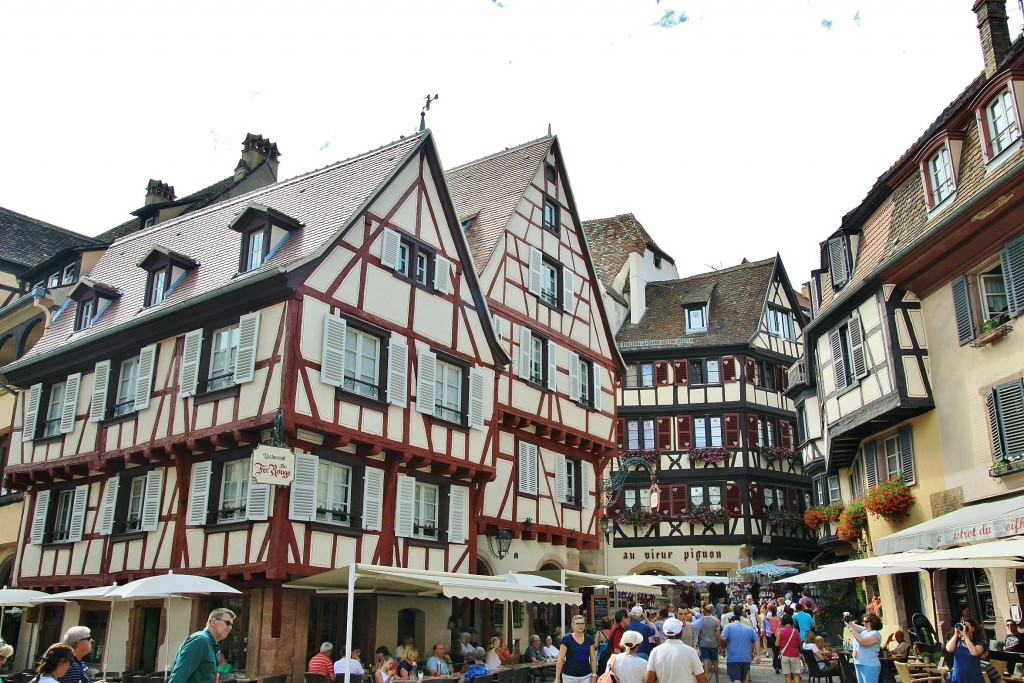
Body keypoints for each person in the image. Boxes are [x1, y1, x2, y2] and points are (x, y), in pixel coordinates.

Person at [168, 608, 235, 683]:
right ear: (213, 622)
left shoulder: (211, 644)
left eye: (232, 625)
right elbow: (179, 676)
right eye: (227, 623)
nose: (230, 627)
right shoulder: (200, 641)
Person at [644, 617, 708, 683]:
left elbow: (648, 680)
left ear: (664, 634)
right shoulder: (691, 652)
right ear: (681, 633)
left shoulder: (655, 652)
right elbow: (702, 679)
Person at [719, 606, 760, 683]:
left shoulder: (728, 626)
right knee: (744, 678)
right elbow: (756, 640)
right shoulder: (748, 627)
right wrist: (757, 654)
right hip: (746, 657)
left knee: (736, 679)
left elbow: (723, 638)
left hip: (733, 657)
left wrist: (723, 646)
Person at [554, 615, 596, 683]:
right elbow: (561, 659)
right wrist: (557, 678)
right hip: (569, 676)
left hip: (586, 676)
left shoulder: (589, 639)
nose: (580, 625)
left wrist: (594, 675)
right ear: (572, 625)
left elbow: (593, 658)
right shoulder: (566, 639)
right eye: (578, 623)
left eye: (582, 623)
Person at [946, 618, 986, 683]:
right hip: (958, 678)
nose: (964, 628)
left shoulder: (979, 643)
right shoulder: (957, 642)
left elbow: (974, 652)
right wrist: (956, 634)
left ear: (973, 628)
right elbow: (949, 649)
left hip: (974, 679)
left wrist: (966, 636)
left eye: (966, 627)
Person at [847, 612, 883, 683]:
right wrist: (847, 617)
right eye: (863, 621)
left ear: (873, 622)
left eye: (866, 621)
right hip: (859, 664)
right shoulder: (863, 630)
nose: (864, 623)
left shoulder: (875, 633)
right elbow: (850, 624)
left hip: (869, 665)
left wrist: (851, 630)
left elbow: (863, 642)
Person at [698, 605, 722, 683]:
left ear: (704, 612)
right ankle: (717, 680)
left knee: (706, 662)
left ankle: (707, 680)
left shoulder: (701, 621)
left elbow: (699, 633)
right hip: (713, 643)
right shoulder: (716, 621)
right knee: (715, 662)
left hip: (704, 643)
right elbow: (718, 634)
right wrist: (720, 644)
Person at [776, 614, 802, 683]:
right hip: (795, 654)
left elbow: (777, 644)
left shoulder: (780, 631)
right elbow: (800, 644)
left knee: (787, 675)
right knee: (796, 674)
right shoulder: (796, 631)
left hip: (784, 654)